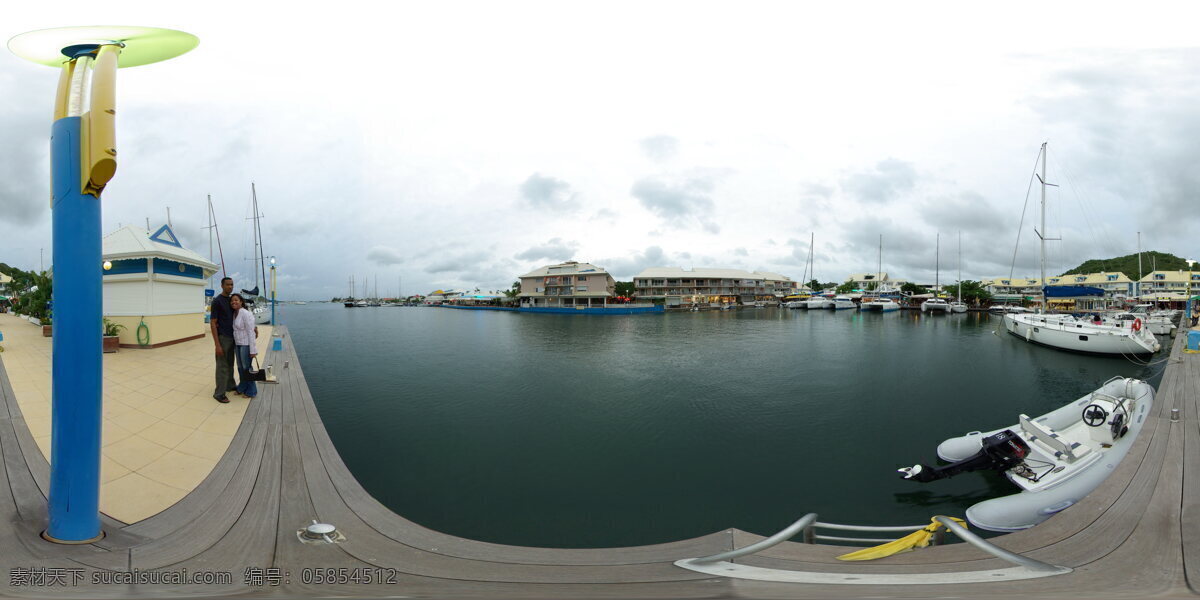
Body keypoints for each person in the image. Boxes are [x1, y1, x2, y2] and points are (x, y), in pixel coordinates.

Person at [210, 277, 237, 403]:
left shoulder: (232, 300)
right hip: (223, 338)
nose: (230, 287)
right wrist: (217, 345)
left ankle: (230, 385)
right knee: (222, 366)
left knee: (230, 364)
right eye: (227, 285)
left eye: (231, 285)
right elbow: (213, 323)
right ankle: (219, 393)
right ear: (222, 285)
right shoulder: (217, 301)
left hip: (233, 338)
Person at [229, 293, 259, 398]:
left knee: (247, 368)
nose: (234, 302)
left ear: (241, 301)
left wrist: (253, 350)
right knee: (240, 368)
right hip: (238, 344)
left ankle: (252, 391)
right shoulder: (234, 313)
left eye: (236, 300)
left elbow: (251, 332)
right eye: (232, 300)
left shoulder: (246, 313)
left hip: (246, 345)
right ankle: (242, 387)